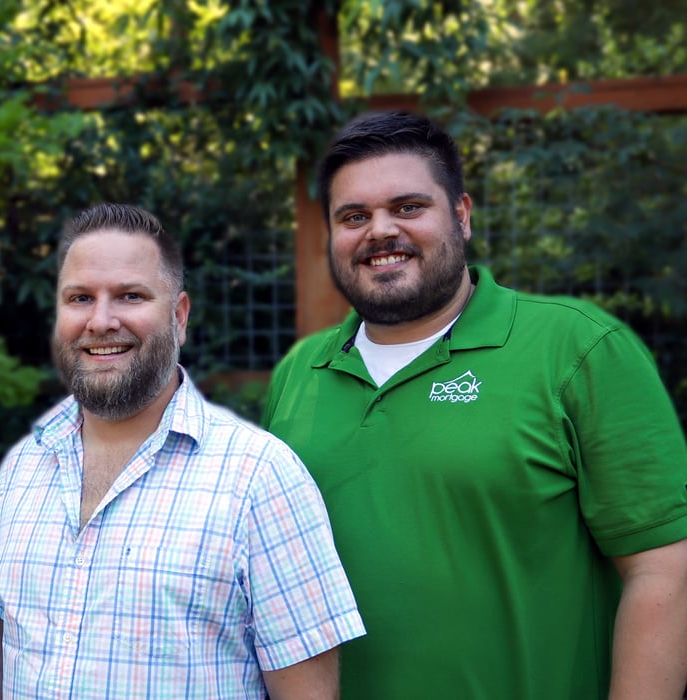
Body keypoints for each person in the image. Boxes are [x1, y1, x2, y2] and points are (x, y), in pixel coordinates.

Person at [261, 109, 687, 699]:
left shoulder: (579, 350)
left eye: (408, 207)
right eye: (353, 216)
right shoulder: (299, 373)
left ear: (461, 216)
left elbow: (663, 572)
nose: (380, 231)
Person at [0, 202, 365, 699]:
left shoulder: (260, 478)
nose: (100, 320)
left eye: (130, 296)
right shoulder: (20, 471)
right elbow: (0, 663)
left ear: (178, 316)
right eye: (79, 298)